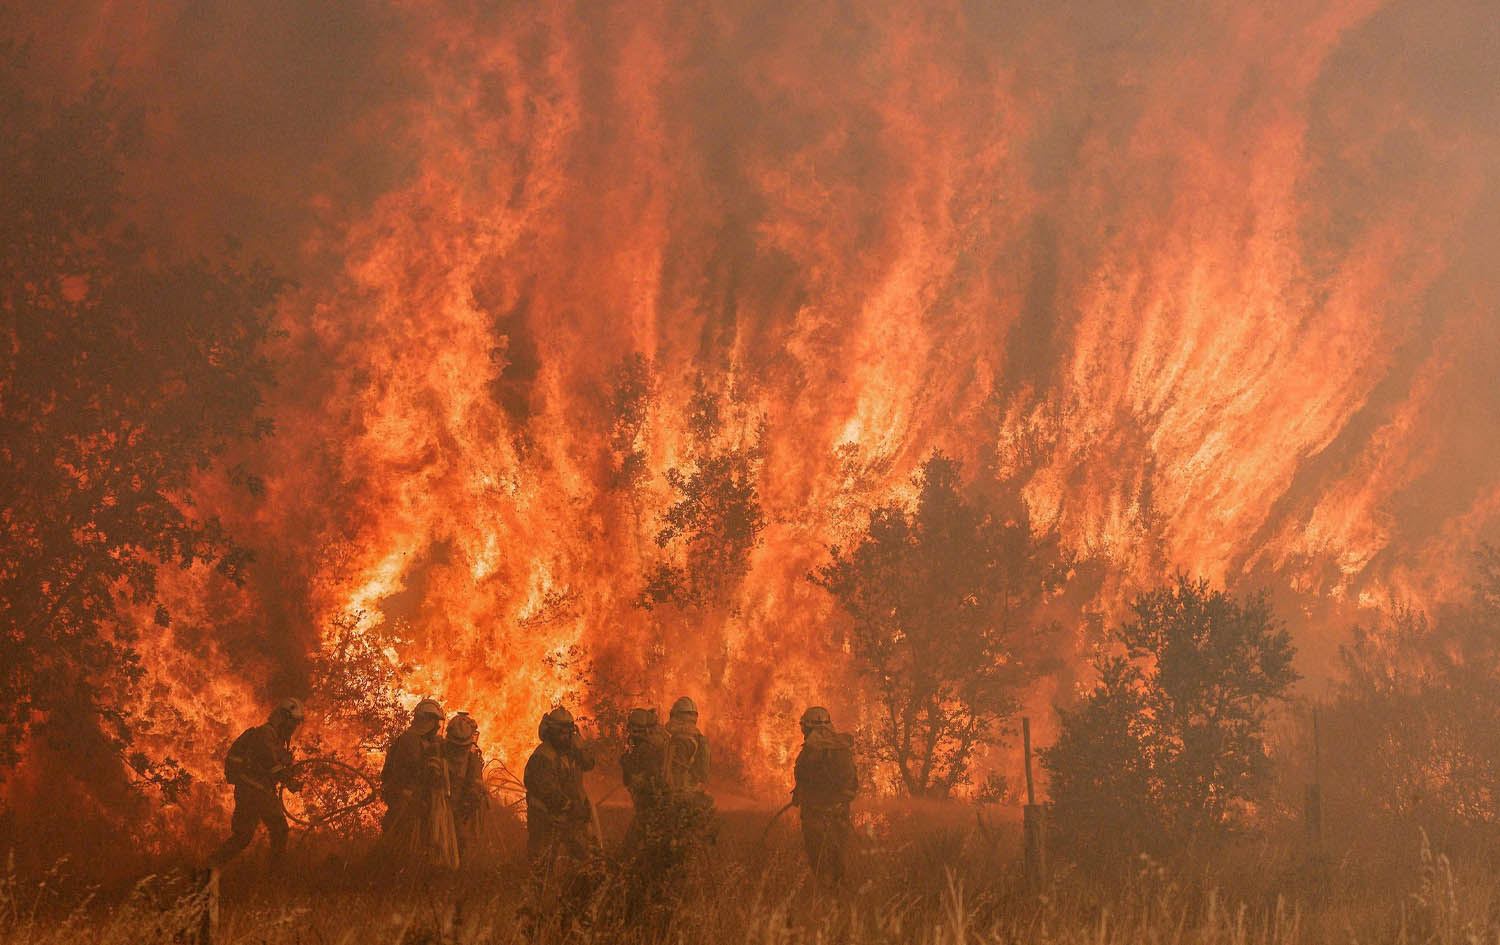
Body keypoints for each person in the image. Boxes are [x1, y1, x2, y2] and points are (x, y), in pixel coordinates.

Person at [208, 698, 304, 873]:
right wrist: (289, 781)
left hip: (251, 791)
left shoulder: (275, 739)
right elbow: (272, 765)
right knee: (280, 829)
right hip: (256, 792)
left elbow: (277, 765)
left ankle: (211, 865)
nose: (293, 728)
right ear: (283, 718)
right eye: (292, 723)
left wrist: (289, 773)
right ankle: (275, 877)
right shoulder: (265, 735)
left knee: (243, 837)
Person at [380, 698, 460, 869]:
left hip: (418, 801)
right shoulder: (409, 741)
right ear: (424, 721)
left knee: (421, 845)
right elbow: (408, 773)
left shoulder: (426, 741)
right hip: (406, 801)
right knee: (402, 843)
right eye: (433, 722)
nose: (438, 727)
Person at [523, 707, 598, 874]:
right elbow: (547, 792)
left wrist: (581, 747)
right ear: (550, 733)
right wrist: (572, 807)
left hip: (569, 817)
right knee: (543, 864)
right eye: (561, 733)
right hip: (545, 818)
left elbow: (589, 764)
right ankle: (538, 895)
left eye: (568, 733)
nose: (565, 737)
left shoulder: (571, 752)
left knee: (584, 860)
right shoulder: (543, 756)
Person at [792, 706, 858, 891]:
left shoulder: (811, 749)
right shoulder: (841, 748)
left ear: (808, 726)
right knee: (838, 857)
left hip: (815, 814)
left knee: (819, 860)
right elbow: (851, 783)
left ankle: (825, 897)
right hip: (840, 813)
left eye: (804, 726)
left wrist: (801, 793)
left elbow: (805, 777)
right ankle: (841, 896)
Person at [619, 707, 670, 918]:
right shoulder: (657, 745)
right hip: (657, 812)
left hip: (650, 814)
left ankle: (637, 906)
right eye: (634, 730)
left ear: (647, 731)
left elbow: (638, 782)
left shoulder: (646, 752)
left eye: (639, 731)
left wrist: (626, 763)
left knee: (628, 859)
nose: (634, 735)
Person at [443, 711, 489, 862]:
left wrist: (466, 806)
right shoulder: (437, 754)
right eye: (456, 747)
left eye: (462, 747)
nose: (459, 751)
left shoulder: (472, 761)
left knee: (459, 846)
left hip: (458, 813)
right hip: (437, 812)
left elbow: (475, 789)